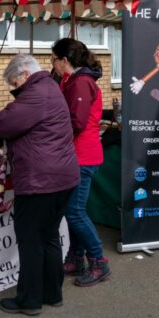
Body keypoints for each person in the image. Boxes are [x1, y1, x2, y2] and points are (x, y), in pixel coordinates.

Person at [0, 55, 80, 316]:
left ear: (25, 74)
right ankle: (52, 293)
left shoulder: (36, 93)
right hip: (62, 177)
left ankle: (29, 300)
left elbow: (6, 123)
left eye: (15, 83)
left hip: (41, 181)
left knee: (30, 241)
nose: (14, 90)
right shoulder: (49, 87)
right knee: (48, 236)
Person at [50, 38, 111, 287]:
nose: (51, 63)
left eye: (53, 58)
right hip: (75, 155)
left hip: (82, 156)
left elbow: (76, 122)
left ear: (64, 60)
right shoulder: (71, 80)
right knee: (72, 210)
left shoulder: (81, 83)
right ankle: (76, 257)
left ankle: (98, 260)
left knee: (75, 212)